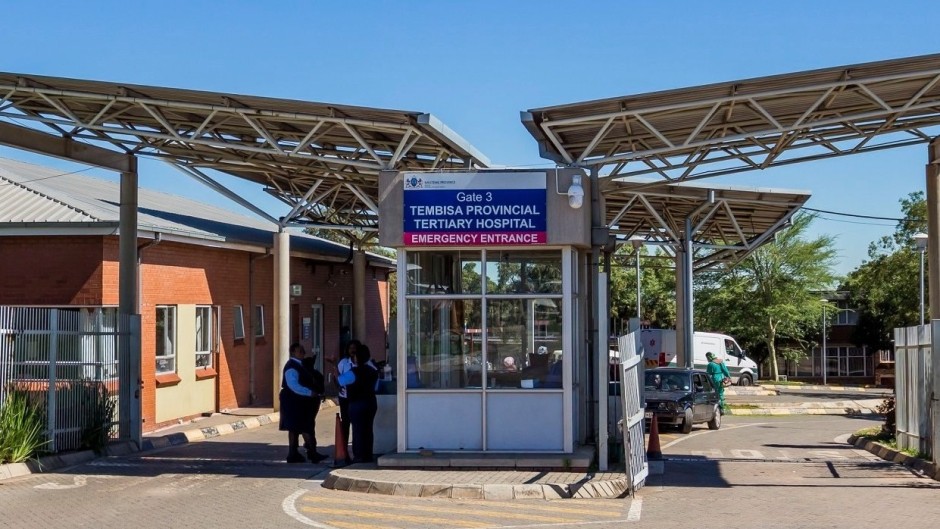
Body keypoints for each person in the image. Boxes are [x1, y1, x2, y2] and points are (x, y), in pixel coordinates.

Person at [279, 343, 327, 463]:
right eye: (299, 351)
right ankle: (310, 452)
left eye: (303, 351)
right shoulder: (292, 367)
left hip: (302, 402)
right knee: (303, 426)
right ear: (293, 353)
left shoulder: (303, 365)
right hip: (294, 401)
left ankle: (295, 453)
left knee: (297, 427)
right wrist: (309, 392)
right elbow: (294, 385)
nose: (302, 353)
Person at [338, 343, 379, 463]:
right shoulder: (373, 371)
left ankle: (359, 456)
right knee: (368, 429)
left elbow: (340, 381)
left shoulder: (352, 372)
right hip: (371, 402)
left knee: (357, 430)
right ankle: (368, 454)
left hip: (356, 403)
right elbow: (376, 387)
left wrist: (335, 369)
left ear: (357, 357)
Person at [336, 339, 361, 464]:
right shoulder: (344, 363)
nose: (352, 350)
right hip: (345, 397)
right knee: (346, 423)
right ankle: (344, 451)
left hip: (357, 397)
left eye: (354, 348)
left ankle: (358, 451)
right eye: (350, 348)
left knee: (357, 425)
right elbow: (338, 376)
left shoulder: (361, 363)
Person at [301, 350, 326, 458]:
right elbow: (321, 389)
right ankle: (311, 449)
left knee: (306, 426)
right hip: (314, 401)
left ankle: (310, 448)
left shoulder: (302, 375)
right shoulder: (317, 374)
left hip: (304, 402)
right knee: (310, 425)